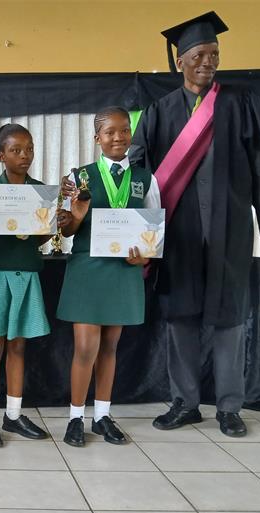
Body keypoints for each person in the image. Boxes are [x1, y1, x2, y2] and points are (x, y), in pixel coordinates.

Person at [130, 11, 260, 437]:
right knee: (180, 319)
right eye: (200, 54)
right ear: (180, 60)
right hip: (179, 236)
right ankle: (185, 403)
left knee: (230, 321)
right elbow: (139, 179)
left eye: (215, 54)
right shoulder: (158, 113)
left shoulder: (241, 104)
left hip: (232, 233)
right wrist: (135, 235)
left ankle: (229, 407)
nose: (209, 62)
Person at [57, 107, 160, 447]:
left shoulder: (146, 177)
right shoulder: (79, 176)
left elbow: (153, 229)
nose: (118, 137)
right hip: (88, 268)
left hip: (123, 270)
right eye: (110, 132)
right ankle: (75, 418)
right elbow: (68, 229)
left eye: (124, 131)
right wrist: (77, 213)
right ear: (96, 138)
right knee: (85, 347)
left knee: (111, 347)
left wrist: (145, 254)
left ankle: (102, 415)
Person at [0, 124, 50, 447]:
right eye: (16, 150)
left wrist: (46, 223)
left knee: (18, 346)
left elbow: (43, 238)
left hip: (27, 273)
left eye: (29, 149)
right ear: (1, 155)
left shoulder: (41, 190)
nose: (24, 155)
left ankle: (13, 415)